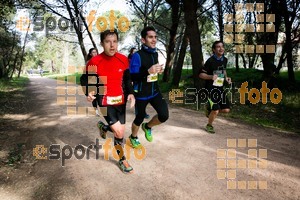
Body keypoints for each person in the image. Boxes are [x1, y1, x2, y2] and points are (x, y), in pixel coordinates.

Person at [80, 29, 135, 174]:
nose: (112, 45)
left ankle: (104, 128)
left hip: (120, 100)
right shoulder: (95, 61)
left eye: (115, 41)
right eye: (108, 42)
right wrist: (89, 92)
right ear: (102, 44)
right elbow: (84, 79)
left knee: (120, 131)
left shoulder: (123, 59)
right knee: (119, 131)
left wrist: (130, 93)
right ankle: (122, 159)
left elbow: (128, 79)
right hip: (104, 100)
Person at [128, 26, 169, 149]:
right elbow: (133, 77)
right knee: (139, 118)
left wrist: (158, 70)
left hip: (155, 91)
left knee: (164, 116)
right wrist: (148, 71)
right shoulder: (137, 56)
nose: (154, 40)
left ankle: (148, 126)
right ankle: (133, 137)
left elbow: (152, 71)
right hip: (141, 93)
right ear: (143, 40)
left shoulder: (155, 53)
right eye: (150, 37)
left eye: (155, 37)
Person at [199, 41, 232, 134]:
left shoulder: (224, 59)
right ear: (214, 50)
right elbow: (201, 75)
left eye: (222, 46)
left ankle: (210, 110)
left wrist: (226, 78)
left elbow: (224, 70)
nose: (221, 48)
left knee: (226, 109)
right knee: (216, 109)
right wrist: (211, 77)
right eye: (218, 47)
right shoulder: (210, 61)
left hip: (220, 88)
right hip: (210, 89)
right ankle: (209, 125)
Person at [128, 47, 150, 120]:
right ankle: (138, 111)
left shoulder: (140, 59)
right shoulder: (129, 60)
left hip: (142, 80)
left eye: (136, 51)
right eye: (133, 52)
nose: (135, 53)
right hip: (135, 81)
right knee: (136, 96)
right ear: (131, 53)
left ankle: (143, 112)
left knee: (144, 97)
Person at [86, 48, 99, 116]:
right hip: (92, 80)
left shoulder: (100, 60)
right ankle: (96, 110)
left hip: (100, 79)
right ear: (90, 54)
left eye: (96, 52)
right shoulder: (89, 62)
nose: (95, 53)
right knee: (94, 96)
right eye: (93, 52)